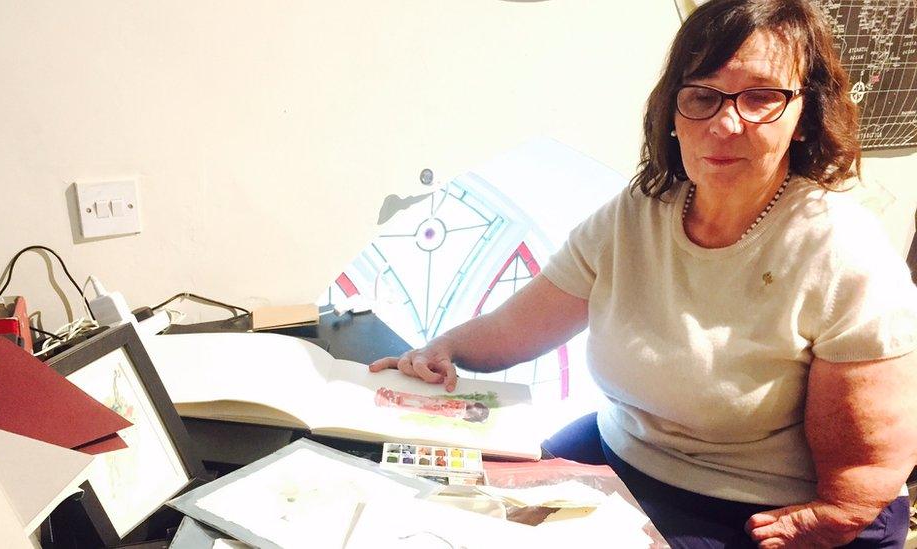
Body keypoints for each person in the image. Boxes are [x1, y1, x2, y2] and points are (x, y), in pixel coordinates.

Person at [369, 0, 917, 547]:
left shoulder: (843, 250)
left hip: (764, 504)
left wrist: (832, 516)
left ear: (805, 117)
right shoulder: (639, 210)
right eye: (702, 96)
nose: (726, 122)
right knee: (434, 509)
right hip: (624, 452)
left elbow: (863, 469)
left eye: (761, 97)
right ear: (674, 116)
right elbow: (520, 327)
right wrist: (444, 348)